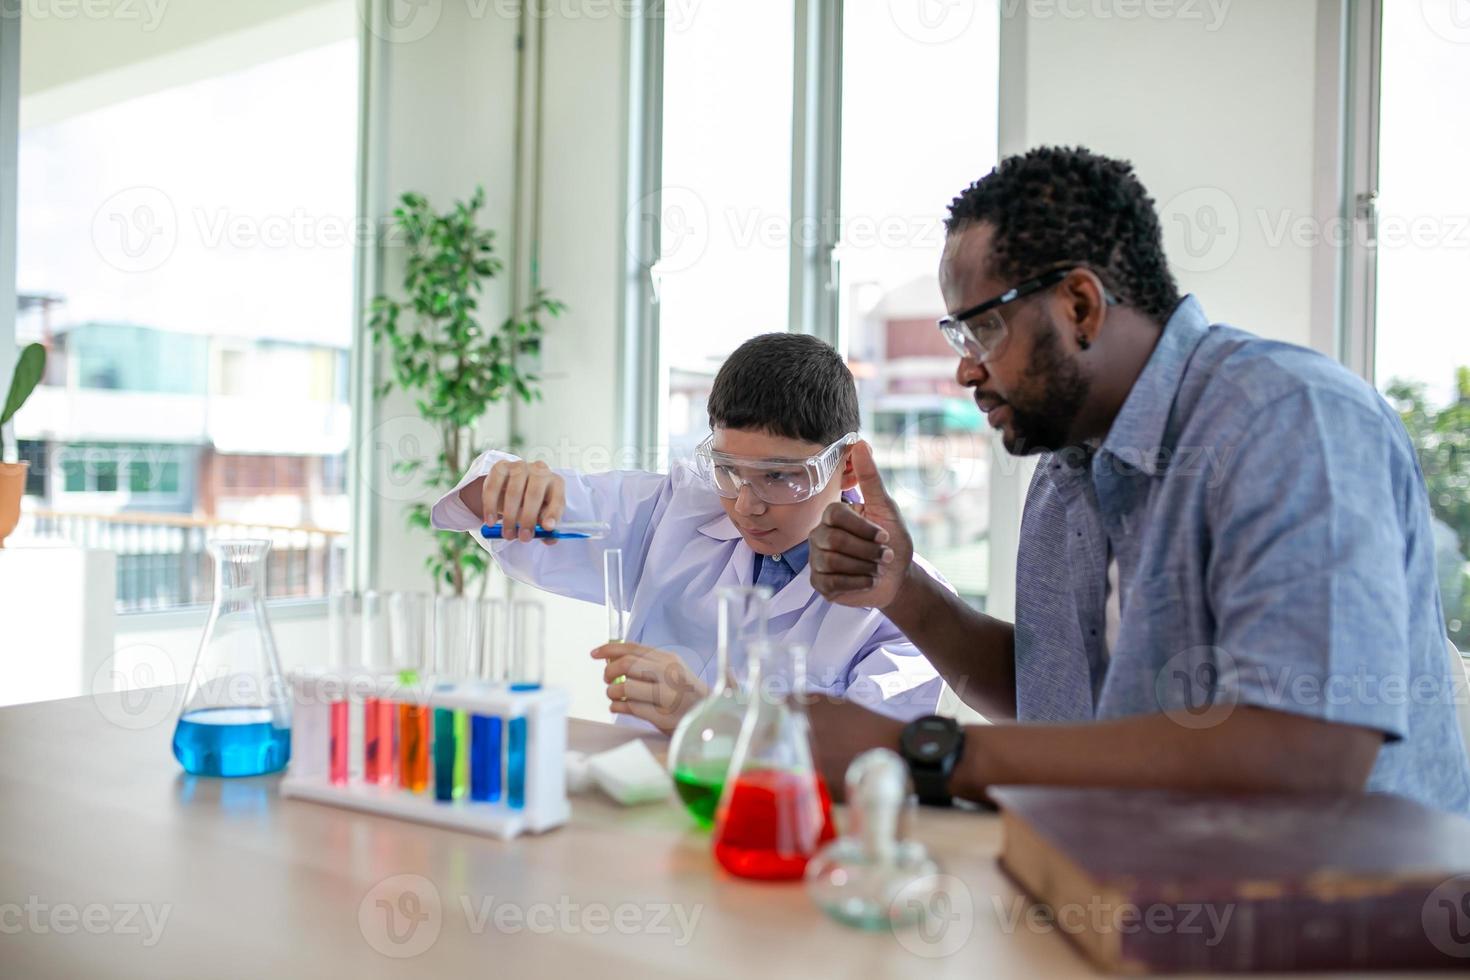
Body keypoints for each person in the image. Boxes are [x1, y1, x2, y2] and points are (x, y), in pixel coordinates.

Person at [805, 146, 1470, 815]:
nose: (967, 370)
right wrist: (904, 590)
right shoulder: (1067, 467)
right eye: (961, 338)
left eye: (983, 330)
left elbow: (1306, 752)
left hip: (1349, 908)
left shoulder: (1291, 420)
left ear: (1081, 307)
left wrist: (920, 753)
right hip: (1136, 890)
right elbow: (1060, 707)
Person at [431, 332, 944, 733]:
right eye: (728, 470)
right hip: (643, 816)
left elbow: (880, 756)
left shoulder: (908, 602)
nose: (747, 504)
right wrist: (512, 488)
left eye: (781, 476)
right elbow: (514, 511)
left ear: (848, 467)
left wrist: (711, 715)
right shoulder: (676, 510)